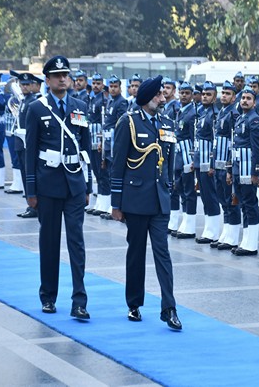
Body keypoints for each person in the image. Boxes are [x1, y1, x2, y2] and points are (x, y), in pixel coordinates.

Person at [111, 75, 182, 330]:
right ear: (147, 98)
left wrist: (170, 188)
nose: (162, 98)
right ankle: (134, 304)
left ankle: (169, 308)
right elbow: (117, 164)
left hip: (160, 200)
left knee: (163, 254)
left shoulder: (167, 123)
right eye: (158, 95)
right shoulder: (128, 122)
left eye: (163, 95)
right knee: (136, 252)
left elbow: (171, 159)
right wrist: (116, 203)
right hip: (136, 199)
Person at [25, 56, 92, 320]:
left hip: (74, 184)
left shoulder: (80, 107)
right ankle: (49, 296)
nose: (63, 79)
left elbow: (85, 149)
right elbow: (30, 153)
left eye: (66, 74)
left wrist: (87, 185)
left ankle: (79, 301)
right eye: (57, 75)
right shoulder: (36, 109)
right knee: (50, 242)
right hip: (48, 186)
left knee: (76, 243)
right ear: (48, 79)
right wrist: (31, 191)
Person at [230, 86, 259, 256]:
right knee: (243, 204)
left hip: (247, 169)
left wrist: (255, 173)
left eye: (249, 98)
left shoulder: (254, 119)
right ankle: (246, 240)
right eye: (243, 98)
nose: (244, 101)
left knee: (250, 205)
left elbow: (257, 149)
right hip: (238, 167)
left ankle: (252, 243)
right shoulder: (241, 118)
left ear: (254, 102)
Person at [213, 81, 241, 249]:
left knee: (231, 201)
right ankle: (227, 232)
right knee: (223, 200)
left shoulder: (234, 114)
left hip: (227, 163)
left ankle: (233, 235)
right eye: (222, 93)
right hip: (218, 162)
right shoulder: (222, 112)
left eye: (227, 93)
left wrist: (230, 167)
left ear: (233, 97)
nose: (224, 95)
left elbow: (233, 143)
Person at [193, 81, 222, 243]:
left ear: (214, 96)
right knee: (204, 196)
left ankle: (213, 231)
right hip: (199, 161)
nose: (204, 97)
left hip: (208, 162)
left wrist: (212, 164)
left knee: (210, 196)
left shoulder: (214, 114)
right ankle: (208, 229)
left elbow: (215, 141)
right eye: (203, 94)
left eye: (208, 94)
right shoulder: (202, 112)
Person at [12, 71, 43, 218]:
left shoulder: (33, 101)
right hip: (20, 140)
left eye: (27, 84)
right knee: (24, 174)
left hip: (28, 142)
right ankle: (29, 204)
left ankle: (34, 206)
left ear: (32, 85)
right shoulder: (24, 100)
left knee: (30, 174)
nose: (24, 87)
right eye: (22, 84)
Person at [99, 75, 128, 220]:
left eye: (115, 86)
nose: (112, 88)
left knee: (114, 175)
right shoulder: (110, 101)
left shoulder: (121, 102)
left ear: (120, 87)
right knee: (108, 175)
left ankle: (117, 206)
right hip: (108, 143)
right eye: (110, 86)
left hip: (115, 142)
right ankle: (111, 205)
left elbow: (120, 125)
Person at [173, 81, 199, 239]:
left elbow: (193, 138)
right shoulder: (180, 111)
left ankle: (190, 224)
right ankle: (185, 221)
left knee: (189, 191)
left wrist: (193, 160)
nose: (183, 96)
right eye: (182, 93)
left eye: (187, 93)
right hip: (178, 157)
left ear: (191, 95)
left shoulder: (192, 113)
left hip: (187, 156)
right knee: (181, 188)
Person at [85, 73, 106, 214]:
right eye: (94, 83)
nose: (96, 86)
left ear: (103, 85)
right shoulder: (92, 98)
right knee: (96, 171)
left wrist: (101, 140)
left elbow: (104, 122)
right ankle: (99, 202)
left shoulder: (103, 100)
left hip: (99, 138)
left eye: (98, 83)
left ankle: (104, 203)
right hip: (91, 137)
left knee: (102, 171)